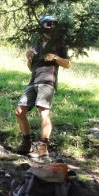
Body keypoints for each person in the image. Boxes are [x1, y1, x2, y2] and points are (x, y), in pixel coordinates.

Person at [15, 14, 71, 158]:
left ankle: (43, 148)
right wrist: (29, 58)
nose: (51, 26)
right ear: (42, 26)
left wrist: (55, 57)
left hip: (47, 81)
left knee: (44, 113)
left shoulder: (59, 44)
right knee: (20, 111)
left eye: (54, 24)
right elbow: (31, 67)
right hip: (33, 81)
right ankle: (26, 144)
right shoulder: (37, 44)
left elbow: (68, 64)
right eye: (48, 23)